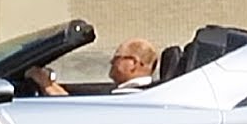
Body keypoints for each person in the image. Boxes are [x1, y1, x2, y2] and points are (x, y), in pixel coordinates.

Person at [26, 38, 158, 96]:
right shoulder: (143, 93)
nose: (111, 62)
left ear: (133, 63)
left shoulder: (130, 96)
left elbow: (75, 112)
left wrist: (45, 83)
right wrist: (50, 84)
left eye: (117, 57)